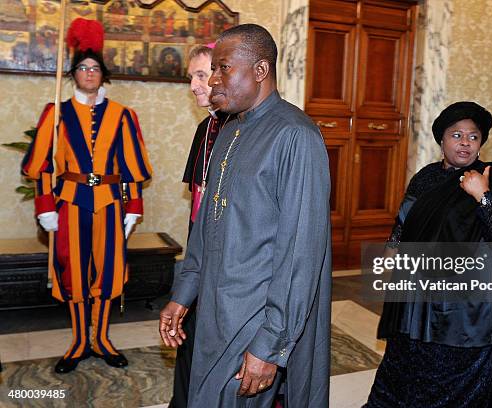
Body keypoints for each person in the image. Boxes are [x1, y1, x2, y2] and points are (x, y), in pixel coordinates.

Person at [159, 24, 331, 407]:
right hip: (216, 310)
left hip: (256, 316)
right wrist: (183, 295)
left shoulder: (296, 135)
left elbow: (300, 255)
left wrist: (270, 344)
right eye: (212, 70)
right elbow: (206, 226)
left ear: (260, 71)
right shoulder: (228, 130)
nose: (213, 80)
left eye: (223, 68)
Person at [365, 101, 492, 407]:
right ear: (441, 140)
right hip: (418, 299)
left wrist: (482, 196)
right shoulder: (426, 177)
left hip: (467, 306)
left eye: (473, 136)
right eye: (457, 135)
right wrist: (392, 252)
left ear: (482, 142)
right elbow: (405, 221)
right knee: (406, 366)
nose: (465, 143)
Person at [21, 18, 152, 374]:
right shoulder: (57, 114)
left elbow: (131, 168)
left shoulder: (123, 115)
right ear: (74, 73)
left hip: (110, 205)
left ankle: (102, 340)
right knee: (75, 274)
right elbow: (44, 166)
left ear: (103, 73)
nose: (89, 73)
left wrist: (133, 209)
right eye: (83, 67)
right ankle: (80, 340)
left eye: (95, 68)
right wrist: (46, 207)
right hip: (70, 205)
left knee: (108, 273)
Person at [169, 43, 229, 408]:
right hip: (200, 254)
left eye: (201, 75)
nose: (193, 84)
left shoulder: (242, 129)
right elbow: (197, 199)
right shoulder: (205, 128)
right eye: (191, 76)